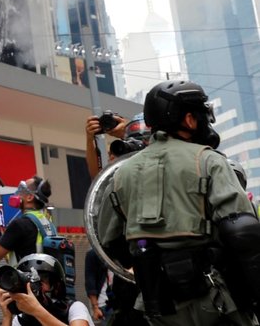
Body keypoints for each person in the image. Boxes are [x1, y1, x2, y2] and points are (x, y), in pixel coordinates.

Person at [97, 79, 260, 325]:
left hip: (159, 305)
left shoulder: (121, 173)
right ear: (189, 120)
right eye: (201, 114)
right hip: (217, 299)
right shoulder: (209, 161)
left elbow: (108, 240)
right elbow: (242, 233)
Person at [0, 254, 94, 326]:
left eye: (42, 280)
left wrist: (36, 310)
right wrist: (7, 317)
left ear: (56, 286)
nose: (35, 287)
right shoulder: (21, 320)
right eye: (30, 281)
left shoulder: (74, 308)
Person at [0, 176, 53, 264]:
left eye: (22, 190)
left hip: (25, 276)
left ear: (29, 197)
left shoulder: (19, 225)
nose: (17, 194)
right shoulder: (48, 223)